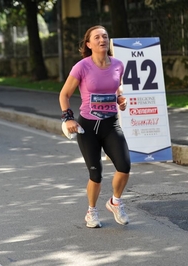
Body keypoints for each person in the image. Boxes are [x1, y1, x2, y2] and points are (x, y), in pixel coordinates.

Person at [59, 25, 130, 228]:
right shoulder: (81, 67)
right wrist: (68, 118)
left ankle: (115, 202)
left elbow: (117, 86)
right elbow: (64, 94)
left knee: (124, 167)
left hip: (110, 123)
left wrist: (120, 98)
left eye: (105, 36)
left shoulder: (117, 65)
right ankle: (91, 211)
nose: (102, 40)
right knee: (96, 174)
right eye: (97, 37)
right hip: (88, 126)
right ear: (89, 44)